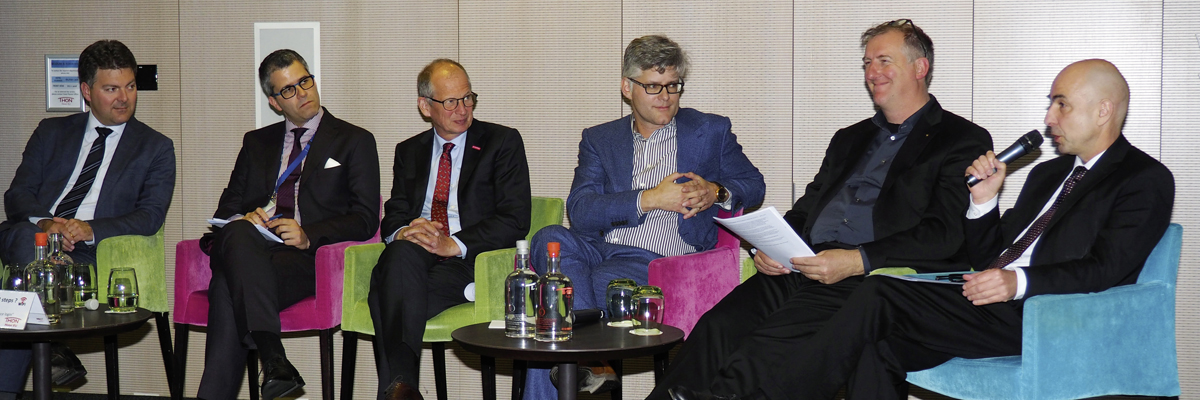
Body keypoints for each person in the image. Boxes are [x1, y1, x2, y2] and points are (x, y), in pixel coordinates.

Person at [667, 59, 1175, 400]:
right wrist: (984, 202)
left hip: (1046, 315)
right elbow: (988, 253)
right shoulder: (1048, 174)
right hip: (980, 297)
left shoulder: (1143, 179)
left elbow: (1108, 268)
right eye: (1051, 103)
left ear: (1103, 110)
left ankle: (746, 394)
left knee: (877, 293)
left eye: (1061, 103)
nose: (1049, 117)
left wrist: (1018, 282)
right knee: (876, 345)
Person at [650, 19, 993, 400]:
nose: (872, 73)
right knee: (719, 325)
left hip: (868, 273)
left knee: (771, 341)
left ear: (920, 67)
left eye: (884, 61)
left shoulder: (960, 139)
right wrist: (770, 245)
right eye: (867, 63)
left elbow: (944, 233)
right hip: (803, 261)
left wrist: (857, 260)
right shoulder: (850, 138)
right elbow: (807, 209)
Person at [525, 34, 765, 398]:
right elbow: (581, 210)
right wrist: (648, 199)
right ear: (628, 87)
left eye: (673, 85)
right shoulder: (600, 139)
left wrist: (715, 191)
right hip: (599, 248)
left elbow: (753, 184)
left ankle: (588, 361)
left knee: (554, 309)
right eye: (653, 86)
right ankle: (592, 360)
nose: (665, 96)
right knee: (548, 238)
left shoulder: (710, 131)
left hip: (659, 261)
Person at [197, 49, 381, 400]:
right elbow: (228, 208)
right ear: (274, 102)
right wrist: (244, 218)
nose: (302, 93)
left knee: (226, 288)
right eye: (288, 90)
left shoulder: (354, 140)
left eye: (305, 82)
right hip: (250, 245)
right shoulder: (256, 142)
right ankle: (274, 358)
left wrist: (309, 234)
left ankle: (271, 361)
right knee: (237, 229)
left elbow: (365, 218)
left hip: (304, 258)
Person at [0, 39, 176, 399]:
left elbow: (150, 216)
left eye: (130, 86)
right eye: (111, 89)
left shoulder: (155, 147)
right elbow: (17, 195)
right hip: (35, 239)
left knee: (22, 288)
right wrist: (47, 224)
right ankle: (53, 339)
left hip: (91, 252)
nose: (124, 98)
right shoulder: (51, 133)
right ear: (86, 91)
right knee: (25, 240)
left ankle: (46, 350)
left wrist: (90, 229)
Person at [368, 58, 531, 400]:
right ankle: (403, 388)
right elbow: (395, 211)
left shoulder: (501, 142)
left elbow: (515, 218)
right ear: (425, 106)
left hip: (470, 259)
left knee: (386, 291)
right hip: (415, 254)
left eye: (468, 98)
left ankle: (398, 388)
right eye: (451, 101)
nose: (463, 109)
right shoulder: (408, 151)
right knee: (400, 255)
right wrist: (405, 231)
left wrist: (453, 243)